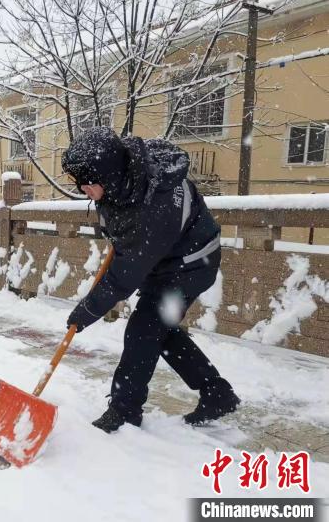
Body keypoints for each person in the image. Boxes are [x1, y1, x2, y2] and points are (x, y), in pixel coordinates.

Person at [61, 127, 239, 433]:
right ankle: (217, 392)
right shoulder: (126, 177)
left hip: (191, 264)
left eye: (86, 182)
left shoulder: (153, 205)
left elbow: (123, 278)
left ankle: (124, 410)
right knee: (160, 331)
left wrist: (88, 310)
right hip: (168, 259)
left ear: (106, 174)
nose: (82, 190)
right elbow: (124, 235)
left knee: (143, 331)